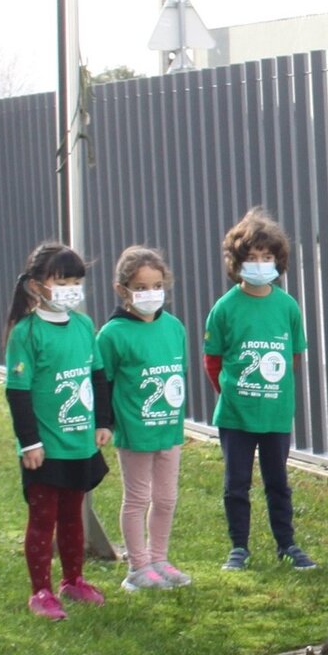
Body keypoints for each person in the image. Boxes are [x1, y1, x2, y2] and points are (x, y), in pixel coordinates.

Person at [4, 241, 112, 620]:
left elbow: (97, 377)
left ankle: (73, 581)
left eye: (75, 279)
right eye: (60, 279)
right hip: (45, 448)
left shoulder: (84, 325)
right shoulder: (27, 334)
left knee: (72, 515)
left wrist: (102, 422)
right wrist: (30, 442)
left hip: (80, 443)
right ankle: (41, 592)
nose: (69, 287)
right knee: (43, 519)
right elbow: (17, 393)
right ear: (36, 285)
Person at [203, 208, 315, 571]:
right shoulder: (224, 309)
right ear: (237, 263)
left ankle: (287, 543)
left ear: (278, 261)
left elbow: (294, 355)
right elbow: (213, 359)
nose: (260, 264)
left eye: (267, 258)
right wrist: (233, 393)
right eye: (251, 258)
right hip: (236, 415)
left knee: (277, 482)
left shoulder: (287, 306)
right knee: (236, 483)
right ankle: (239, 546)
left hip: (275, 413)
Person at [96, 245, 191, 591]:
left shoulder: (174, 327)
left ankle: (159, 558)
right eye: (141, 287)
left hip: (169, 429)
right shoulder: (112, 335)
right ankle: (138, 567)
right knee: (137, 498)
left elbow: (178, 373)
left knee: (166, 498)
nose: (150, 294)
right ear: (123, 291)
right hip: (136, 430)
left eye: (156, 286)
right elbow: (101, 382)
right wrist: (104, 423)